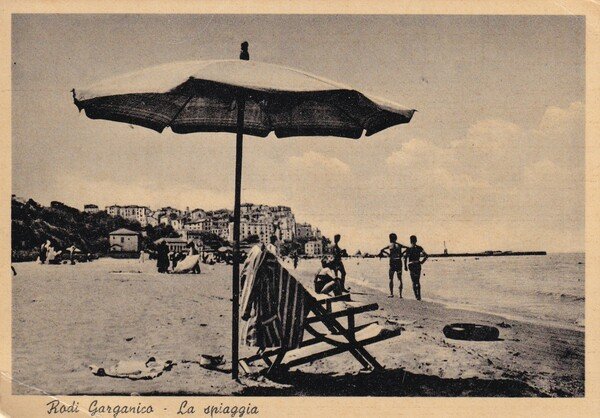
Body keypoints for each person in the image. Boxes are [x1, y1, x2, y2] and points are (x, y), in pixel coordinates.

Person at [379, 233, 408, 298]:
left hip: (392, 261)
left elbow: (381, 250)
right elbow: (408, 248)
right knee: (399, 279)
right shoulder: (399, 245)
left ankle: (391, 293)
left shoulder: (390, 245)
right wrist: (402, 253)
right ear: (396, 238)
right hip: (398, 261)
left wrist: (388, 254)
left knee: (391, 278)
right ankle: (400, 295)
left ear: (390, 238)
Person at [403, 235, 428, 301]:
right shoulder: (419, 248)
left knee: (413, 281)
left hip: (411, 265)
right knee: (418, 281)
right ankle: (419, 296)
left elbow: (405, 257)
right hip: (417, 264)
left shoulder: (408, 248)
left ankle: (416, 296)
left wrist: (405, 266)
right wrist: (422, 262)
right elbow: (426, 255)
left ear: (410, 241)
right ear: (416, 240)